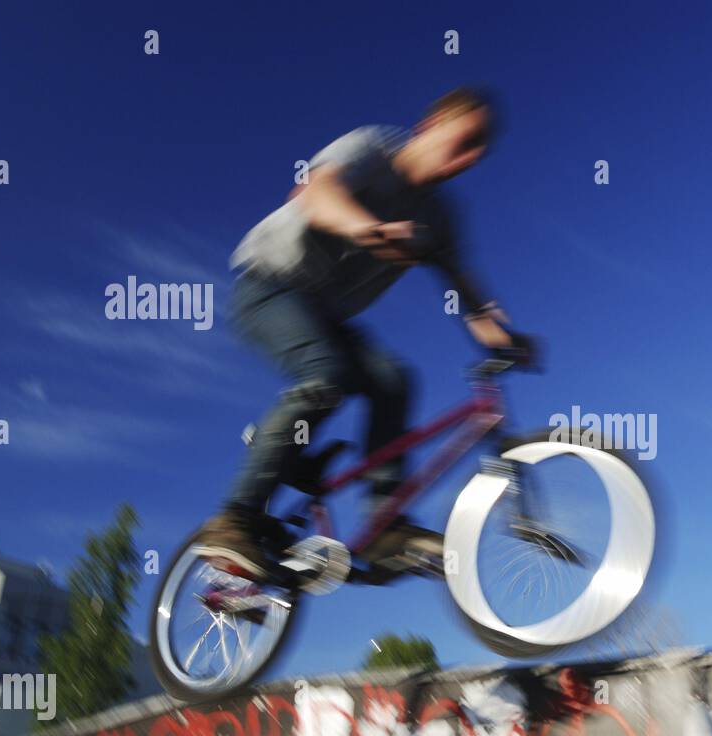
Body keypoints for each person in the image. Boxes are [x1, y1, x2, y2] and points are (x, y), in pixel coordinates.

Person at [199, 87, 520, 578]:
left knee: (393, 378)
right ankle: (233, 518)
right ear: (431, 123)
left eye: (481, 152)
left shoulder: (439, 216)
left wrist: (503, 335)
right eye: (466, 140)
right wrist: (370, 229)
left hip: (327, 316)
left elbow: (466, 289)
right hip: (268, 289)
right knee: (327, 373)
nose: (471, 159)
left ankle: (384, 523)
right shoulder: (374, 148)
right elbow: (316, 193)